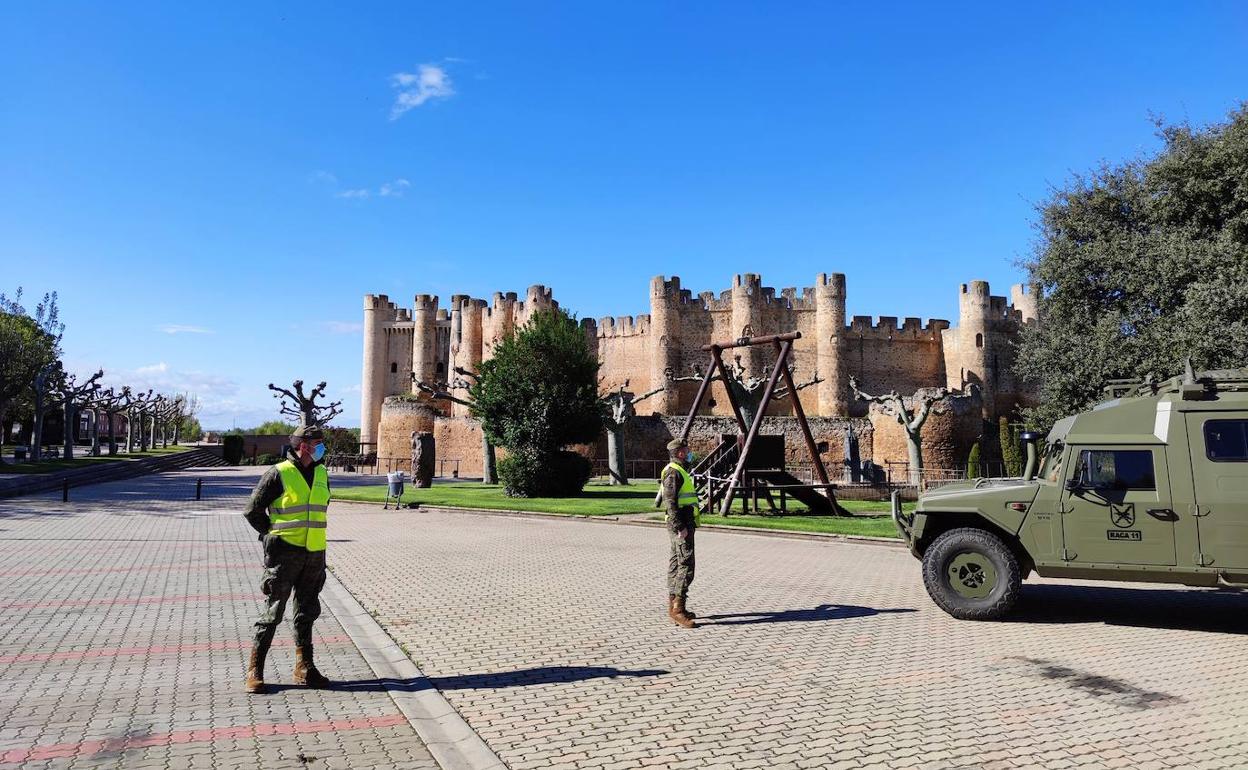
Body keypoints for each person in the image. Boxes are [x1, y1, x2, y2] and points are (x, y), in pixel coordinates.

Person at [242, 424, 332, 693]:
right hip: (284, 554)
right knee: (273, 613)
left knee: (306, 613)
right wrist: (270, 533)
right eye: (318, 443)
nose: (322, 448)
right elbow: (252, 510)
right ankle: (254, 670)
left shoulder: (322, 472)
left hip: (314, 553)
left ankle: (305, 668)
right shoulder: (278, 473)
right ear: (304, 445)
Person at [661, 438, 700, 628]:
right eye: (687, 449)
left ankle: (675, 605)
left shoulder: (680, 470)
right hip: (681, 525)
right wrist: (680, 527)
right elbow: (670, 503)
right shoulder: (673, 472)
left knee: (677, 563)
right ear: (681, 453)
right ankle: (678, 609)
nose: (690, 452)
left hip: (684, 522)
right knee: (686, 565)